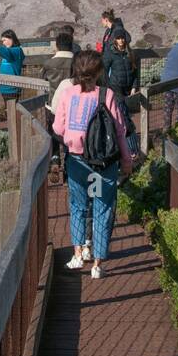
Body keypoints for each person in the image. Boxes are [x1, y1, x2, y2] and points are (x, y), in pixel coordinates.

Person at [52, 50, 133, 280]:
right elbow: (120, 131)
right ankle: (97, 263)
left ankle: (78, 254)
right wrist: (126, 161)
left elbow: (58, 129)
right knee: (102, 208)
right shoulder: (106, 95)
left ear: (77, 71)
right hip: (101, 164)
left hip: (77, 162)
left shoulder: (68, 94)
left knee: (78, 205)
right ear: (98, 72)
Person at [42, 29, 76, 170]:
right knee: (72, 131)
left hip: (53, 105)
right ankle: (70, 160)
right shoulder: (76, 62)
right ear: (71, 45)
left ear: (57, 45)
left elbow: (42, 81)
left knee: (54, 131)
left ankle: (55, 159)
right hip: (73, 104)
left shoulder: (49, 63)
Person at [0, 30, 26, 111]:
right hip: (4, 87)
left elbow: (5, 52)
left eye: (4, 40)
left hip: (12, 88)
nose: (3, 43)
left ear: (11, 38)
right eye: (2, 41)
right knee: (9, 110)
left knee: (11, 111)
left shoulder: (16, 51)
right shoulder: (9, 53)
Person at [101, 27, 138, 100]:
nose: (121, 40)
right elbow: (104, 72)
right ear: (115, 40)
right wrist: (109, 87)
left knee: (129, 109)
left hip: (129, 88)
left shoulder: (130, 53)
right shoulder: (110, 54)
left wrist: (134, 87)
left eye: (122, 38)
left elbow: (135, 72)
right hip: (116, 88)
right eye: (118, 38)